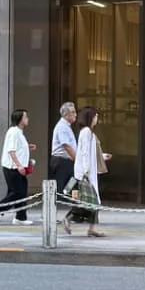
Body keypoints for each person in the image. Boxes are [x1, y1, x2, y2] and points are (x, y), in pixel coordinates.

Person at [68, 106, 108, 238]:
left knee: (91, 201)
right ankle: (69, 219)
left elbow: (90, 153)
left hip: (88, 171)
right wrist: (85, 171)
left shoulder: (89, 133)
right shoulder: (86, 132)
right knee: (87, 200)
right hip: (85, 173)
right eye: (95, 116)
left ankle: (91, 228)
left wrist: (102, 157)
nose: (97, 118)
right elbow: (85, 152)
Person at [0, 108, 33, 222]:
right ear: (20, 119)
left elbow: (17, 147)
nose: (27, 119)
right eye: (25, 117)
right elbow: (11, 150)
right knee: (17, 192)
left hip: (18, 167)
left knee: (22, 192)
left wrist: (27, 147)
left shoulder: (19, 132)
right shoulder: (14, 131)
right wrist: (19, 165)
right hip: (12, 168)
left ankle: (20, 217)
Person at [48, 100, 77, 223]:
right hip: (61, 162)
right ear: (66, 114)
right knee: (57, 189)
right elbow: (66, 146)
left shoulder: (67, 127)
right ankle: (49, 215)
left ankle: (74, 214)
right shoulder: (62, 127)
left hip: (67, 162)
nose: (75, 114)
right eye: (73, 112)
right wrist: (77, 160)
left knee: (73, 185)